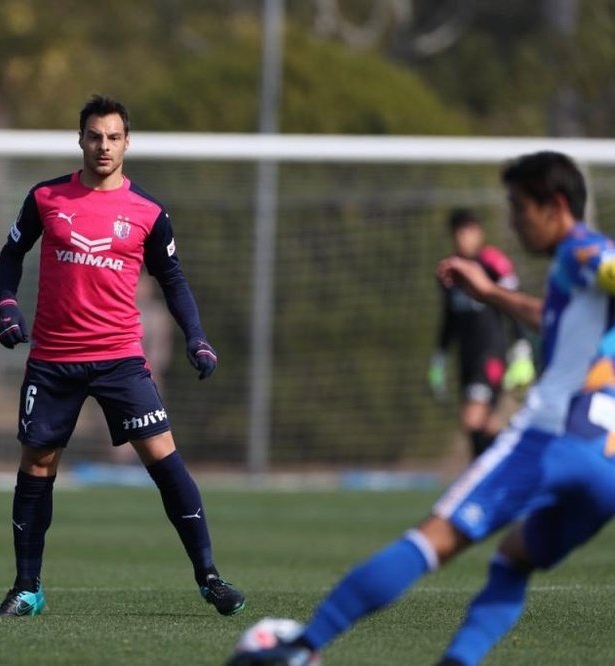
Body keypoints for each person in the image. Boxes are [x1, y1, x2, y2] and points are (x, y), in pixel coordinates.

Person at [228, 151, 615, 665]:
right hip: (607, 462)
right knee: (514, 559)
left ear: (556, 205)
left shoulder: (582, 249)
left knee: (432, 540)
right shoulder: (581, 280)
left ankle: (300, 649)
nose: (514, 222)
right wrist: (490, 292)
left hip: (551, 438)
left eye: (520, 208)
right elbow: (552, 317)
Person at [0, 94, 245, 618]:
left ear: (127, 142)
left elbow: (172, 278)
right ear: (80, 140)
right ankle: (26, 588)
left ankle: (210, 578)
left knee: (164, 461)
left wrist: (196, 336)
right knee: (37, 465)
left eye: (112, 136)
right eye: (93, 136)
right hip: (53, 360)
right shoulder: (46, 198)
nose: (102, 145)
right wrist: (8, 306)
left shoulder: (148, 212)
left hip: (120, 358)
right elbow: (12, 253)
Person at [428, 209, 536, 458]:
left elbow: (514, 305)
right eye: (458, 233)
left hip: (491, 354)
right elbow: (449, 318)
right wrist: (440, 356)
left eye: (468, 232)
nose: (463, 239)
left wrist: (521, 347)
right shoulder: (449, 271)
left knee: (472, 417)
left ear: (479, 233)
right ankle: (496, 469)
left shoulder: (494, 265)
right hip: (466, 356)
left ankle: (483, 476)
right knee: (486, 425)